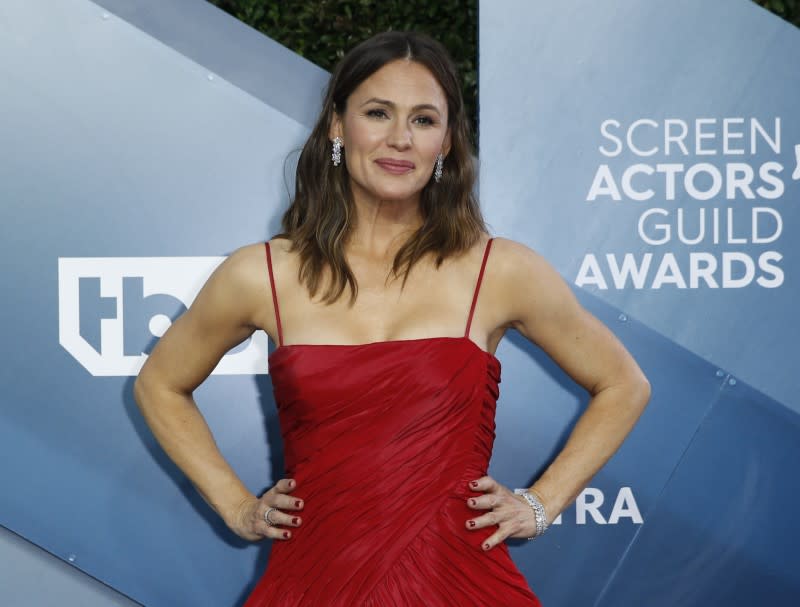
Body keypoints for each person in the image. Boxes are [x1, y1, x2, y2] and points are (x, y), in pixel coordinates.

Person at [134, 30, 650, 606]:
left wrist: (539, 503)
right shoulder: (263, 274)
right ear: (337, 125)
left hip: (460, 583)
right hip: (314, 582)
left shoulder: (499, 269)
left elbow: (623, 384)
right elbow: (160, 383)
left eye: (424, 120)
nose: (399, 139)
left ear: (447, 141)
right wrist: (236, 505)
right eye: (378, 113)